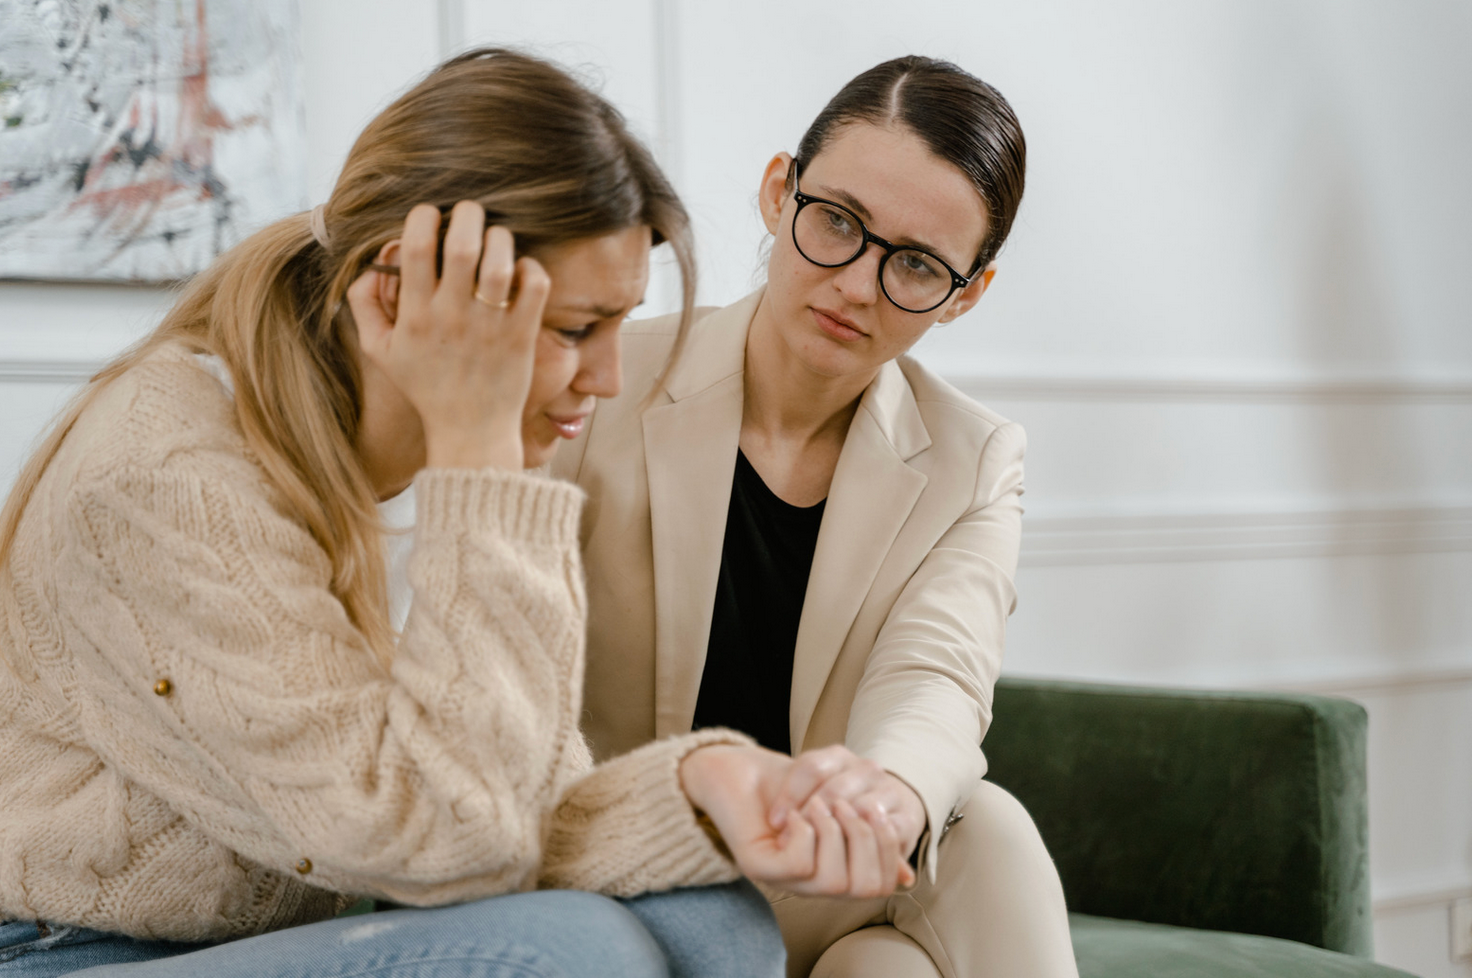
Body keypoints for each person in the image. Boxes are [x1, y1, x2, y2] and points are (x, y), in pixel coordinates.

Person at [0, 48, 901, 978]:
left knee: (713, 918)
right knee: (570, 953)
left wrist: (706, 784)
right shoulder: (172, 473)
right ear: (401, 291)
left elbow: (513, 797)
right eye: (573, 330)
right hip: (65, 953)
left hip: (287, 927)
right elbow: (451, 845)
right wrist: (488, 462)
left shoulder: (427, 449)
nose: (609, 378)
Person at [552, 56, 1079, 977]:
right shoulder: (598, 384)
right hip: (635, 869)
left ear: (968, 293)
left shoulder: (974, 459)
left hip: (832, 871)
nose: (858, 286)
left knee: (966, 858)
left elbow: (938, 675)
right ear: (777, 192)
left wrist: (887, 798)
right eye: (837, 222)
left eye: (916, 264)